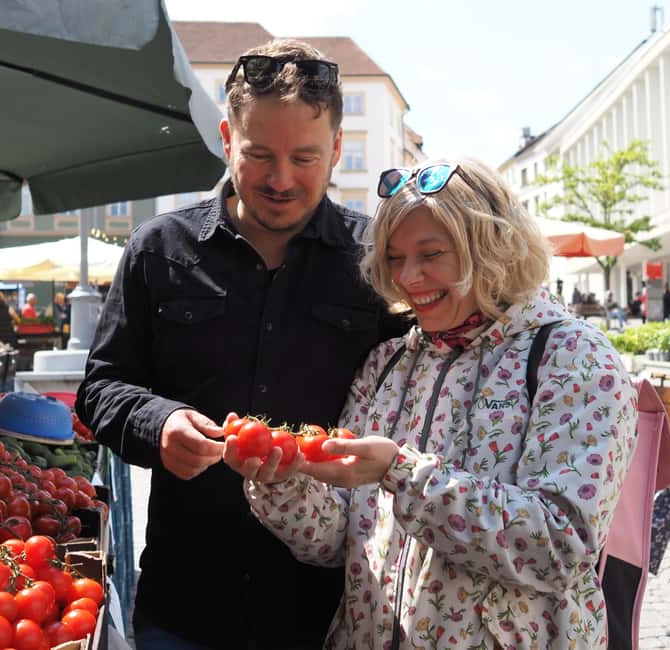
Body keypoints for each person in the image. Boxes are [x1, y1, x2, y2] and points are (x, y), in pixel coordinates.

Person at [75, 39, 412, 650]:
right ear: (228, 139)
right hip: (188, 596)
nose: (281, 180)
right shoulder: (158, 249)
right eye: (259, 155)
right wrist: (160, 422)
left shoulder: (375, 262)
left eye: (305, 157)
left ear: (337, 149)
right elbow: (100, 390)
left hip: (330, 605)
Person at [225, 157, 639, 649]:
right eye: (396, 258)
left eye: (430, 253)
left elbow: (560, 544)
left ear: (492, 249)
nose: (408, 277)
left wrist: (401, 474)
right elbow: (339, 539)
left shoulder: (574, 358)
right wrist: (282, 483)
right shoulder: (387, 365)